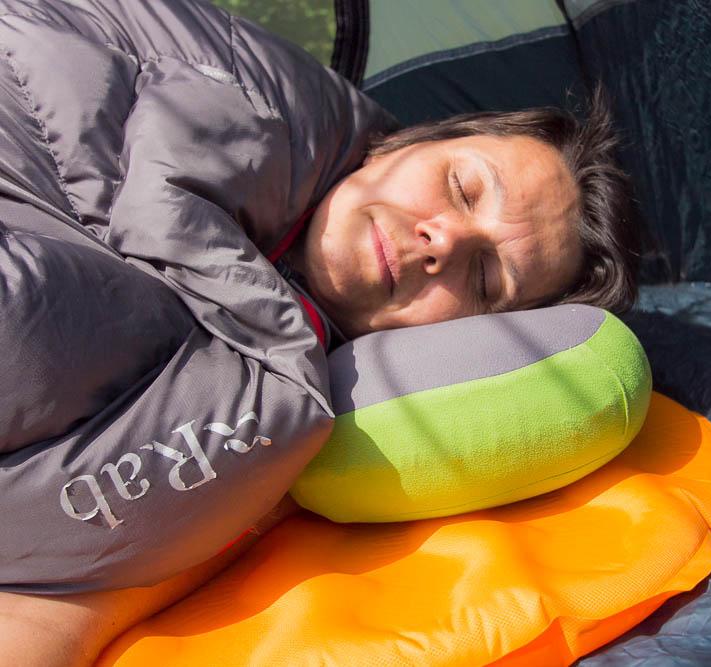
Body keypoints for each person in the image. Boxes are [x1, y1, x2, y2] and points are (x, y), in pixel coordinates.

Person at [0, 89, 642, 664]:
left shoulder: (279, 427)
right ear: (397, 143)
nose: (441, 240)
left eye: (482, 279)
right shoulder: (249, 105)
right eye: (462, 188)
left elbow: (51, 616)